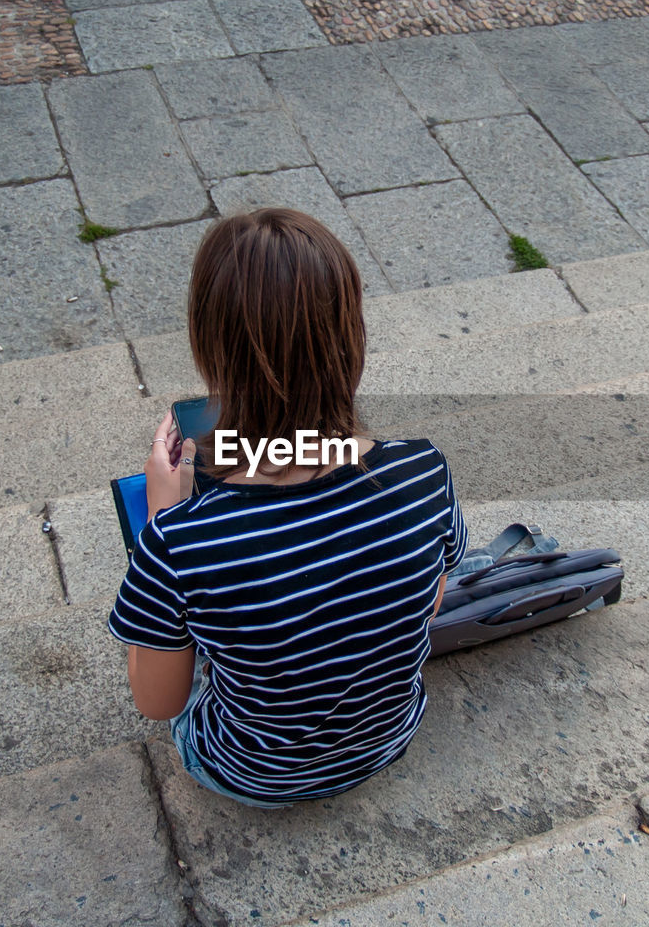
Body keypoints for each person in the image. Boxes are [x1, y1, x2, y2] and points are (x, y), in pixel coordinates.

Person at [108, 208, 467, 807]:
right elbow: (429, 600)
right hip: (387, 738)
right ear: (351, 337)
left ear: (209, 354)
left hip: (251, 773)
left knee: (189, 629)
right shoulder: (425, 471)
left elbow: (157, 705)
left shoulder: (177, 544)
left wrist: (159, 522)